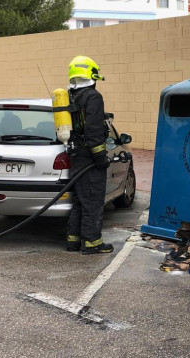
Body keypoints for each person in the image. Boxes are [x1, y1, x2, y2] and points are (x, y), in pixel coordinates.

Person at [65, 55, 114, 255]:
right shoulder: (93, 97)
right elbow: (94, 131)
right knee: (92, 201)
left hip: (75, 155)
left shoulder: (71, 95)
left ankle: (73, 241)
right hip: (88, 159)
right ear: (91, 74)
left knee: (79, 200)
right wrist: (101, 159)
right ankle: (92, 242)